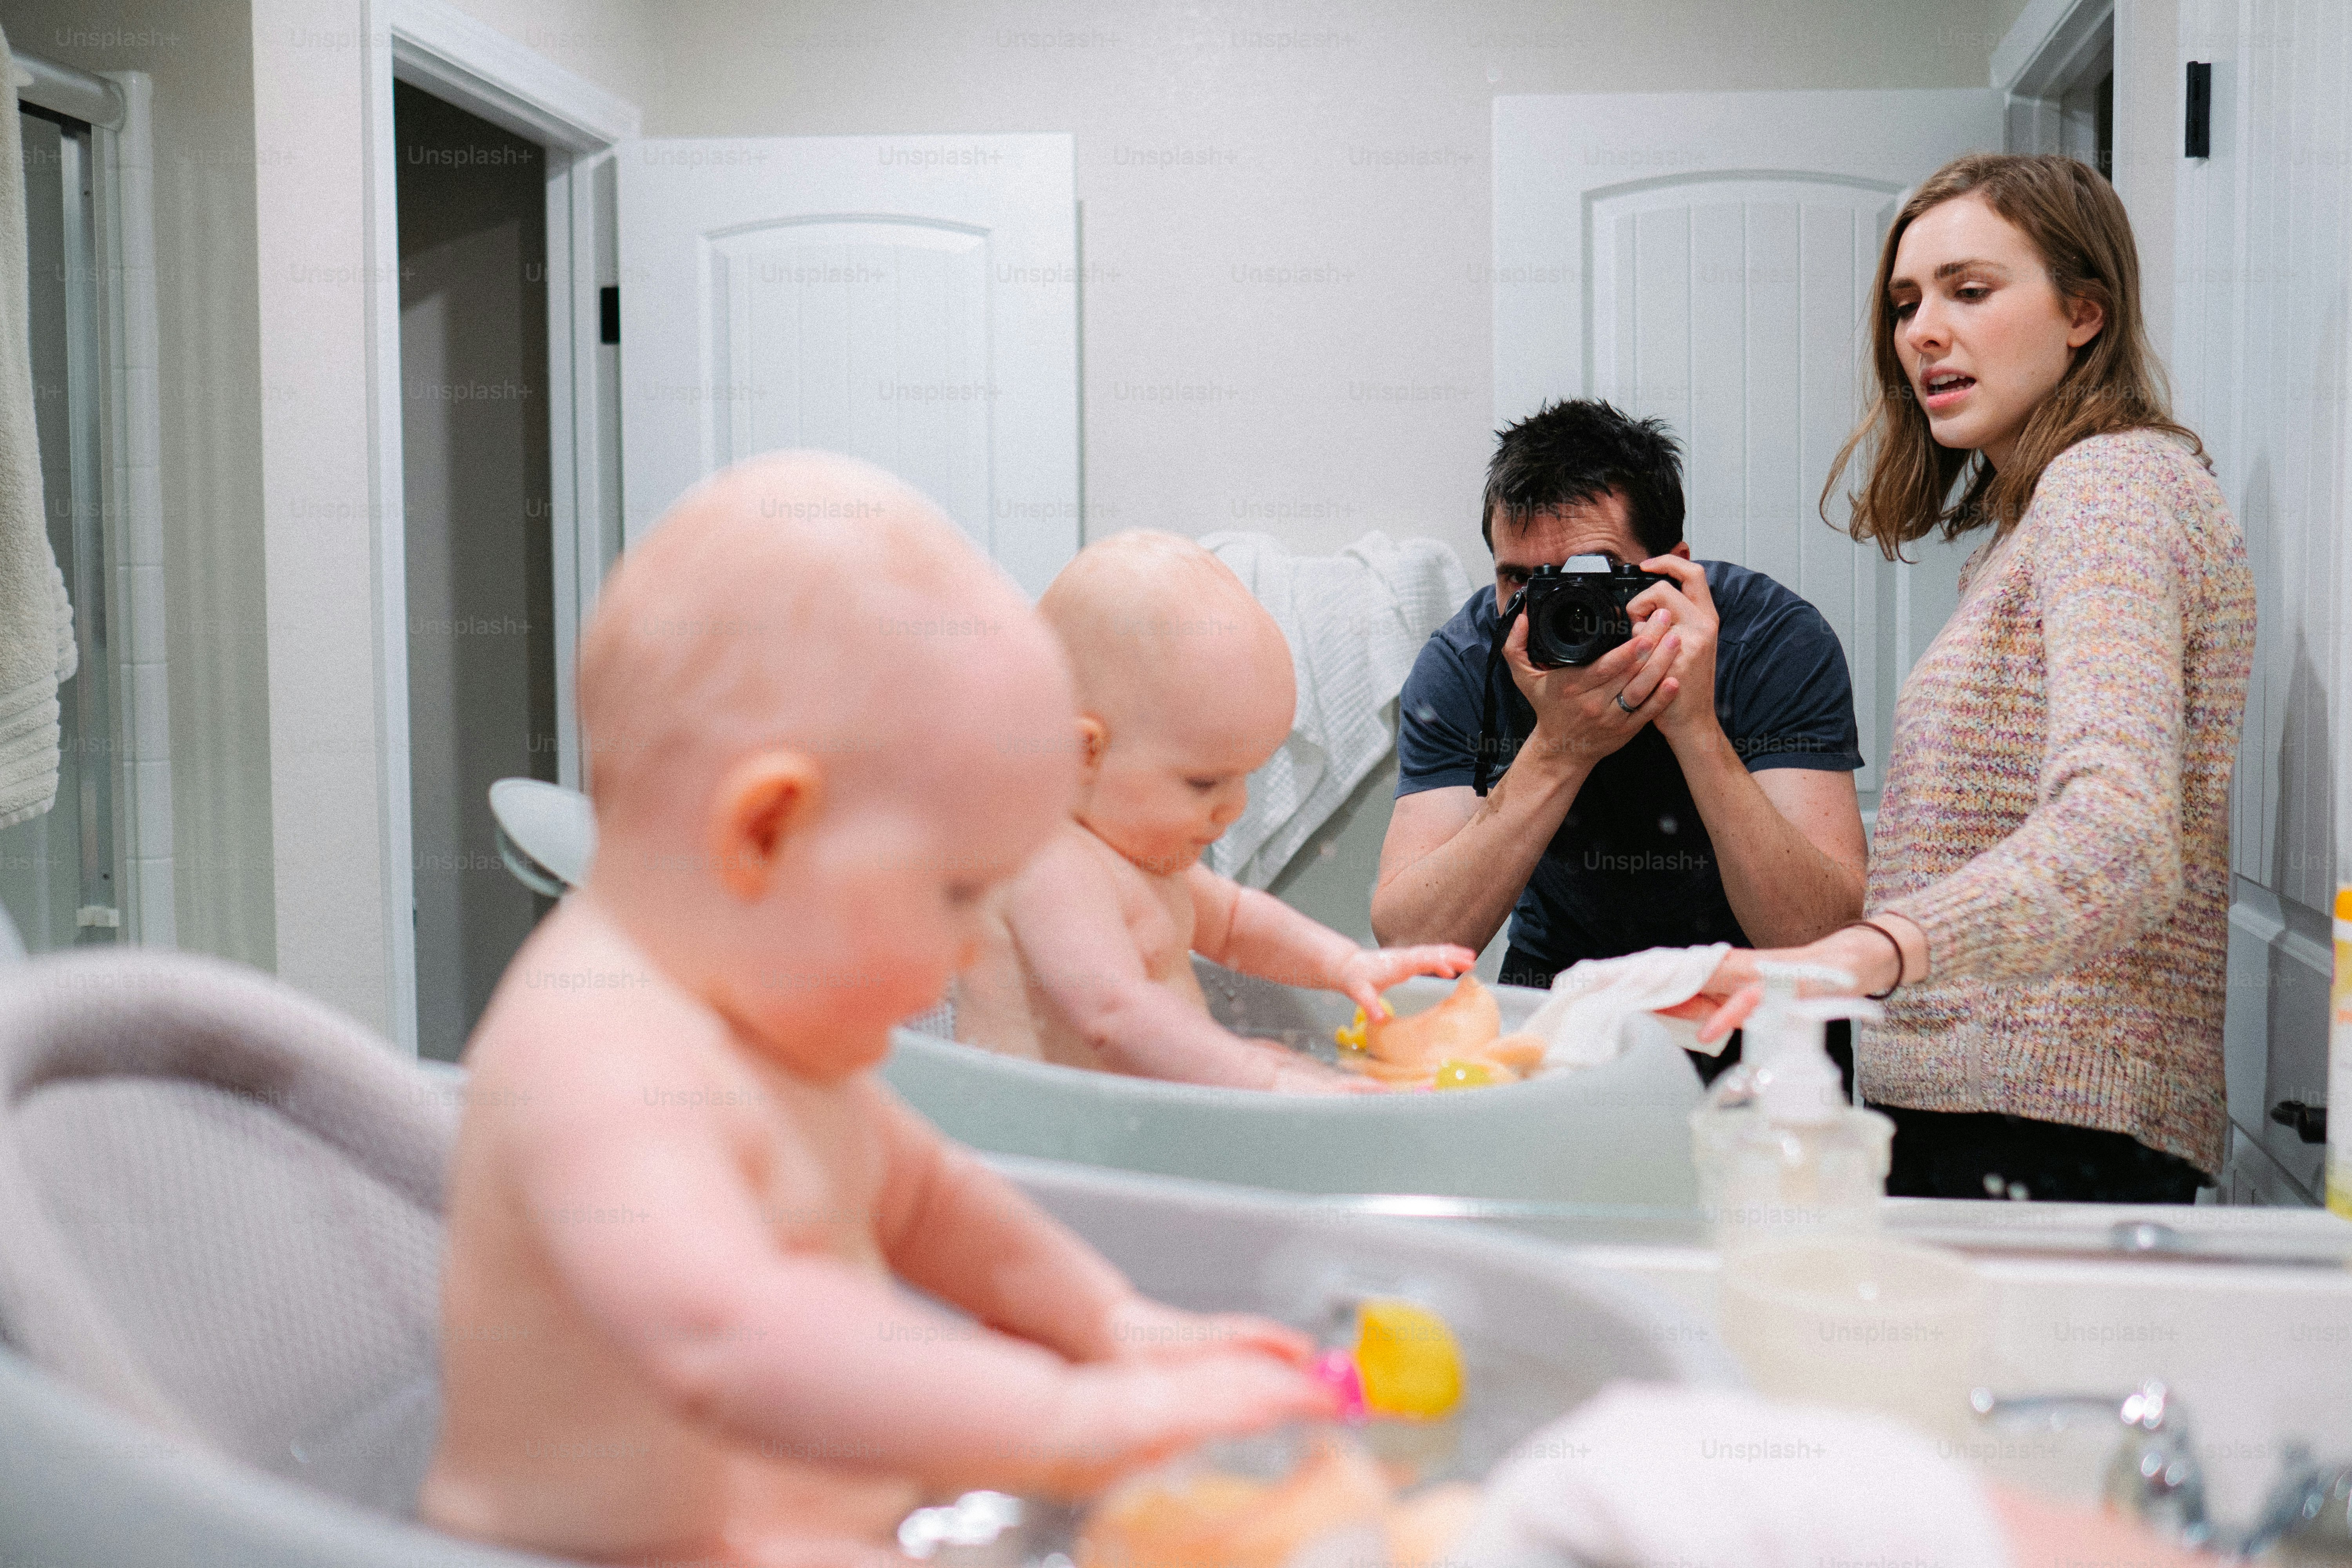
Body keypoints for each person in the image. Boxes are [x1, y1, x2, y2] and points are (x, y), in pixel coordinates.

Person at [419, 454, 1335, 1567]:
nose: (968, 947)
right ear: (764, 833)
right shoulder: (596, 1054)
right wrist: (1067, 1425)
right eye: (954, 893)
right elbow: (729, 1338)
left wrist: (1110, 1322)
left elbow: (933, 1199)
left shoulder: (772, 1030)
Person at [1676, 154, 2254, 1203]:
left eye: (1970, 292)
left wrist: (1870, 952)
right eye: (1907, 303)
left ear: (2086, 313)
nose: (1922, 333)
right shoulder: (2030, 525)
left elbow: (2121, 838)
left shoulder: (2111, 487)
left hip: (2041, 1124)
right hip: (1998, 1115)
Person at [1370, 399, 1868, 1081]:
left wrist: (1693, 723)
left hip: (1754, 998)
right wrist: (1559, 748)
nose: (1551, 607)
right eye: (1520, 579)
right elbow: (1410, 944)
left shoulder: (1770, 641)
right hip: (1561, 991)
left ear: (1671, 569)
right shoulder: (1467, 661)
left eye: (1589, 576)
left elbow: (1819, 940)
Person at [955, 530, 1474, 1091]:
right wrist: (1256, 1078)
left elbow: (1234, 923)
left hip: (1119, 1130)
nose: (1235, 806)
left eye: (1246, 776)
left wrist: (1344, 964)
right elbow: (1114, 1014)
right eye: (1204, 782)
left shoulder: (1143, 860)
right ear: (1085, 751)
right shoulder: (1050, 863)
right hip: (1039, 1150)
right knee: (1272, 1074)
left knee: (1289, 1065)